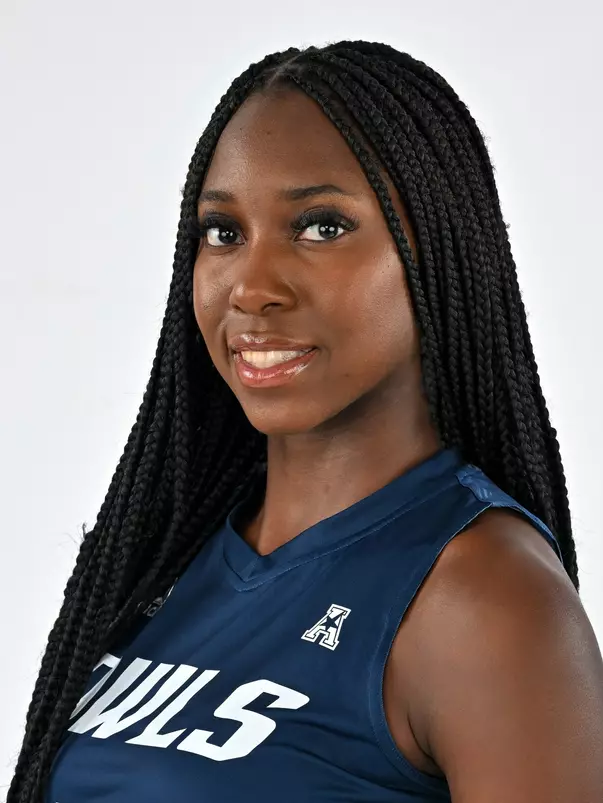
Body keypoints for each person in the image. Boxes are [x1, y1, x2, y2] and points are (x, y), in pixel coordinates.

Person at [8, 40, 603, 803]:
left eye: (320, 226)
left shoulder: (484, 598)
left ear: (437, 251)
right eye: (223, 233)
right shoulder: (168, 553)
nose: (250, 288)